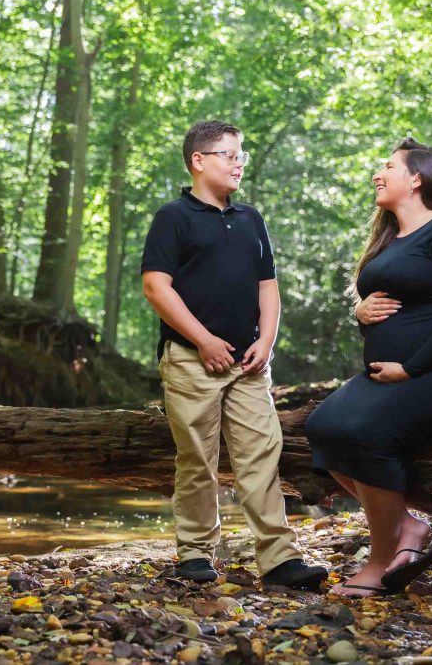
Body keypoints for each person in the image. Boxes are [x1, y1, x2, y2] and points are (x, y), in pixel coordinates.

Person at [304, 137, 432, 597]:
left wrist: (410, 368)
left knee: (368, 434)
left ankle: (378, 557)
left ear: (416, 178)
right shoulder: (391, 240)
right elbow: (392, 310)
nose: (378, 173)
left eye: (388, 166)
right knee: (322, 426)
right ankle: (409, 527)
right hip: (389, 374)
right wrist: (360, 313)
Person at [141, 120, 328, 589]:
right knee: (197, 459)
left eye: (241, 154)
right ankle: (195, 553)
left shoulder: (251, 220)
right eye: (229, 154)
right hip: (190, 360)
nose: (239, 162)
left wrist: (266, 341)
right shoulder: (173, 217)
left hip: (248, 365)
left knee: (262, 454)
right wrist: (203, 340)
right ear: (199, 161)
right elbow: (155, 286)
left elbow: (269, 287)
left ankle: (280, 558)